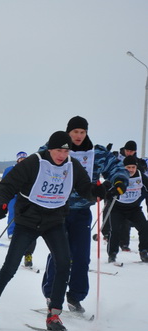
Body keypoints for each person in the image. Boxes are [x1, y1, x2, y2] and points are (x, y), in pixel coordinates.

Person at [0, 131, 101, 331]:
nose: (62, 155)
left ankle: (54, 314)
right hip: (28, 222)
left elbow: (85, 188)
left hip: (54, 222)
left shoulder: (72, 165)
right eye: (58, 150)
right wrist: (0, 203)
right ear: (50, 149)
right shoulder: (34, 162)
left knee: (64, 263)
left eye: (66, 151)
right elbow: (8, 184)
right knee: (10, 268)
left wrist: (99, 191)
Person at [41, 116, 129, 314]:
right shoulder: (55, 148)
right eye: (75, 132)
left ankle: (75, 296)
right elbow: (37, 162)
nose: (79, 136)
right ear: (68, 132)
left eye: (82, 132)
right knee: (60, 254)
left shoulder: (96, 152)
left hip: (82, 211)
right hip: (56, 210)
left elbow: (116, 168)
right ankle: (51, 293)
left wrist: (119, 181)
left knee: (81, 256)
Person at [107, 156, 148, 263]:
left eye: (133, 167)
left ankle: (144, 251)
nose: (130, 170)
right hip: (118, 208)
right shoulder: (119, 175)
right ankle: (112, 254)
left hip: (134, 208)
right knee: (115, 230)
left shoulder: (140, 176)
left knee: (144, 228)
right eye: (128, 167)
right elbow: (108, 186)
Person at [2, 151, 36, 267]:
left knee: (27, 216)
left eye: (24, 159)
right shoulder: (10, 169)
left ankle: (28, 251)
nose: (22, 161)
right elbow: (4, 183)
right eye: (21, 159)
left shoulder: (30, 169)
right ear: (17, 160)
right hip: (13, 196)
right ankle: (11, 232)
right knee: (12, 213)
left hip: (26, 197)